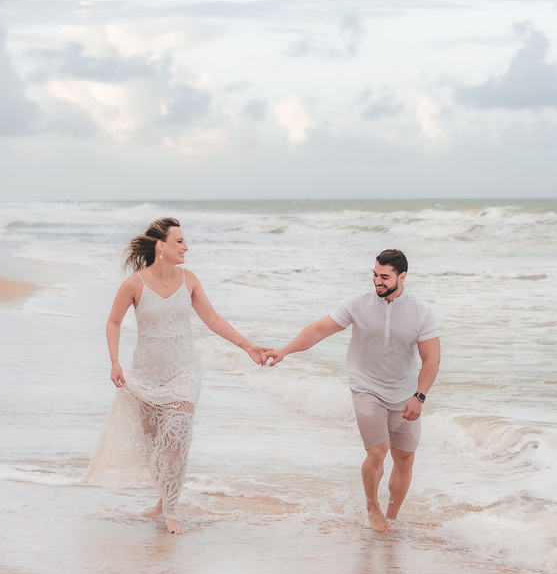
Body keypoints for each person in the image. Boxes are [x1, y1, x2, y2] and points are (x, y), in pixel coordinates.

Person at [83, 217, 269, 534]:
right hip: (145, 375)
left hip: (185, 371)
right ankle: (163, 495)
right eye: (179, 241)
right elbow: (113, 322)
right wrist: (114, 362)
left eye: (184, 241)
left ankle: (170, 509)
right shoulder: (134, 284)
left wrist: (247, 345)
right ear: (161, 246)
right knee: (155, 447)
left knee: (177, 440)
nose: (186, 247)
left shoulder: (189, 280)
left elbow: (212, 318)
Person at [265, 249, 440, 532]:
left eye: (384, 276)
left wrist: (419, 396)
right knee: (377, 452)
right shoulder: (357, 303)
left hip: (405, 392)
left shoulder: (421, 312)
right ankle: (373, 507)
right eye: (374, 274)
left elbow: (431, 358)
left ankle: (392, 516)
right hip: (366, 388)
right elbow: (320, 329)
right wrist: (285, 350)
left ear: (402, 276)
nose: (377, 281)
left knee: (405, 458)